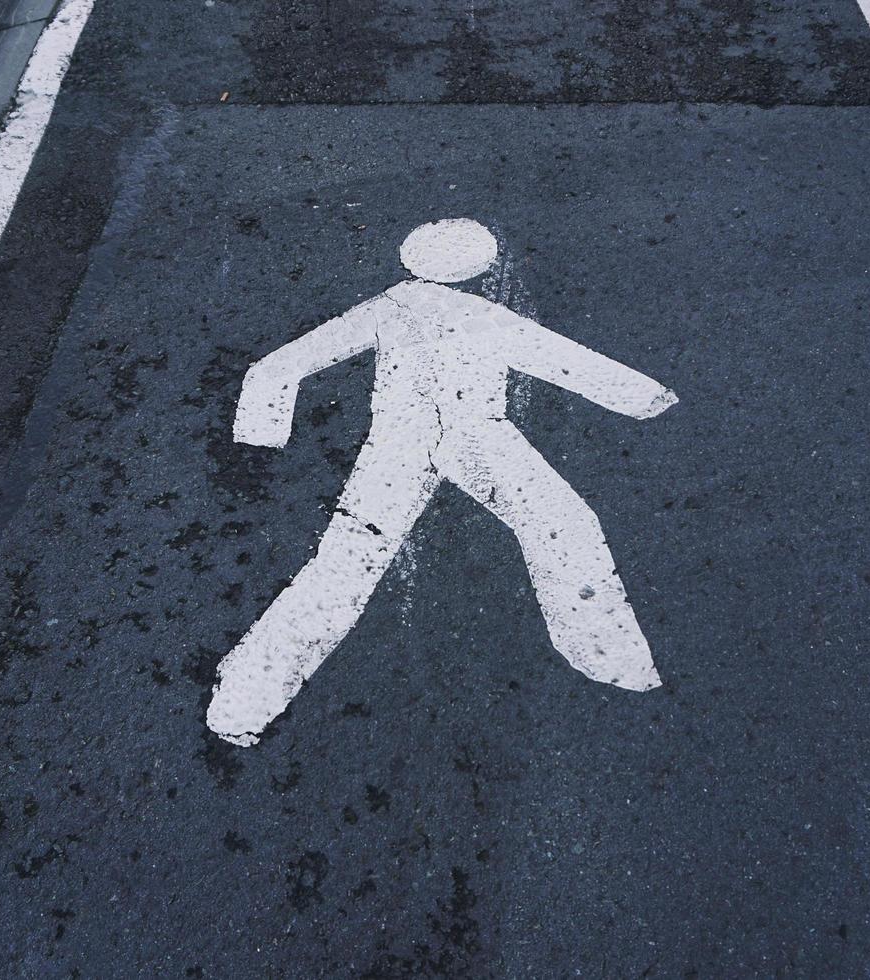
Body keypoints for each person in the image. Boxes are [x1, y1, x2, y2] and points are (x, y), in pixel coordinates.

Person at [208, 218, 677, 745]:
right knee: (565, 525)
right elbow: (563, 360)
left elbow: (280, 365)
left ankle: (244, 700)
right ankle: (607, 657)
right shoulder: (485, 316)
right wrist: (645, 398)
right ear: (479, 267)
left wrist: (263, 432)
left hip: (397, 440)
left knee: (346, 561)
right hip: (479, 437)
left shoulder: (385, 308)